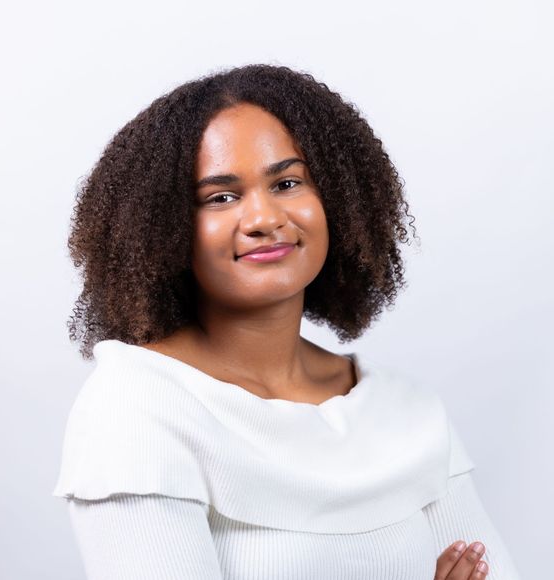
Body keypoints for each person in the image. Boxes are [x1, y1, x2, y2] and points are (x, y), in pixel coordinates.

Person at [52, 64, 521, 579]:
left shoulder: (404, 413)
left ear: (337, 201)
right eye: (221, 197)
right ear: (163, 228)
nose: (263, 219)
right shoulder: (138, 409)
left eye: (288, 182)